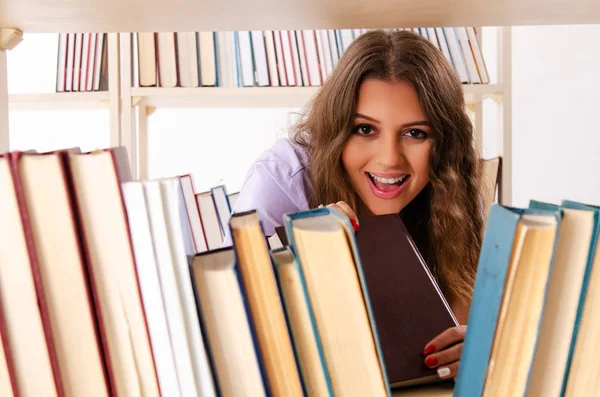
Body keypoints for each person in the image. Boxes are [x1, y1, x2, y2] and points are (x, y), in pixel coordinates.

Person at [224, 29, 484, 381]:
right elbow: (230, 332)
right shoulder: (283, 179)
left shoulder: (449, 183)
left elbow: (460, 325)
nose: (389, 159)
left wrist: (476, 347)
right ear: (336, 128)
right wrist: (305, 262)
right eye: (365, 129)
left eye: (415, 133)